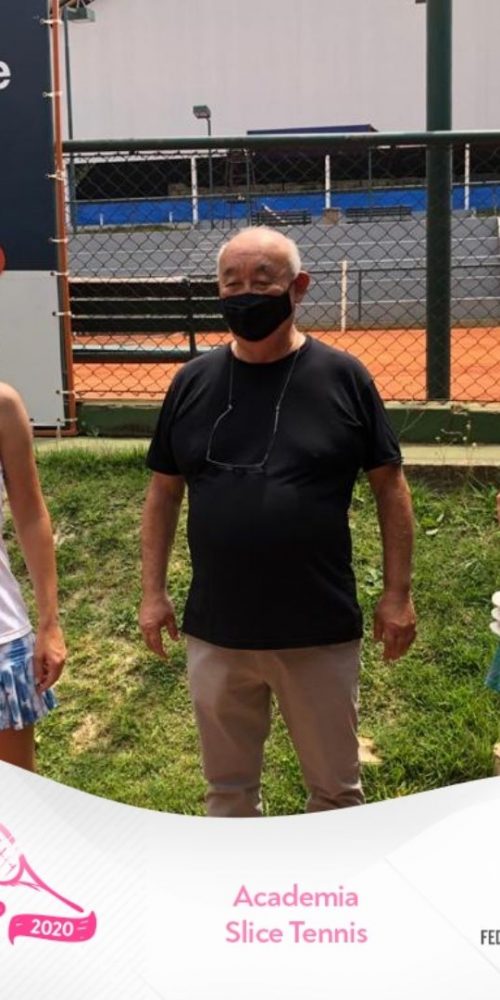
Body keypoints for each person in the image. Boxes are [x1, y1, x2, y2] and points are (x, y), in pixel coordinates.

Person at [140, 226, 416, 817]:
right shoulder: (191, 382)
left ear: (299, 287)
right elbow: (163, 493)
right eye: (231, 282)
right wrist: (152, 592)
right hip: (217, 629)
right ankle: (239, 876)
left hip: (317, 628)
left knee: (335, 792)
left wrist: (397, 594)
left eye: (261, 281)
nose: (245, 294)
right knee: (227, 791)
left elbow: (390, 488)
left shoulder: (343, 377)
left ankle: (332, 877)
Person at [0, 383, 66, 770]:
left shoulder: (3, 405)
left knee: (14, 798)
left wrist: (49, 622)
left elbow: (31, 513)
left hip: (2, 642)